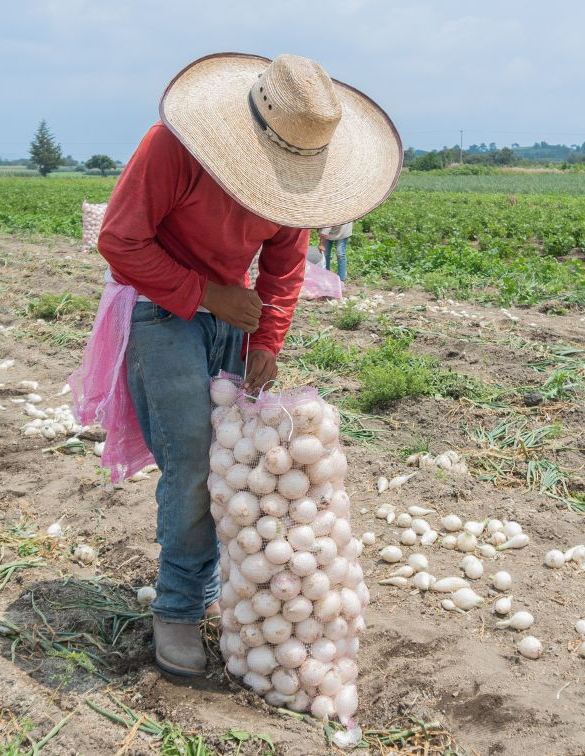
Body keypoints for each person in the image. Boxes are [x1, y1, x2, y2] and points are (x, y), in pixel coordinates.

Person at [92, 52, 402, 678]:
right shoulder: (172, 149)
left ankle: (222, 593)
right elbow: (120, 241)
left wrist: (268, 338)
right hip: (161, 309)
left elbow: (285, 264)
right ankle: (178, 608)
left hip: (232, 318)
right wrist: (209, 295)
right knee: (192, 466)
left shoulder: (295, 179)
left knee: (229, 461)